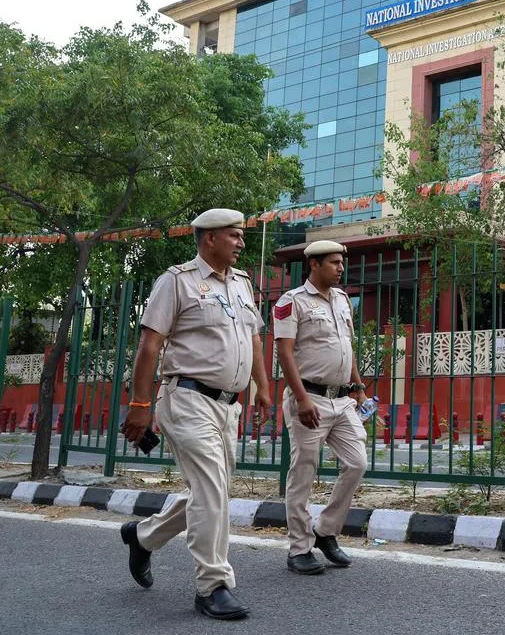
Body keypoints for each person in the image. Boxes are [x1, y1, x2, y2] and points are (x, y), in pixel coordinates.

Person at [119, 208, 273, 621]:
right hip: (187, 399)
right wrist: (139, 404)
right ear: (209, 239)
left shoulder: (242, 284)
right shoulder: (176, 281)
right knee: (211, 488)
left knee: (213, 491)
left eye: (242, 236)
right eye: (234, 235)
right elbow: (150, 346)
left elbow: (253, 340)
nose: (241, 242)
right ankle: (213, 585)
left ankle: (144, 537)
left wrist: (262, 388)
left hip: (227, 405)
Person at [273, 239, 369, 575]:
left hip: (341, 399)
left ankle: (325, 531)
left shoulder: (343, 300)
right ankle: (299, 549)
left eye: (341, 263)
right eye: (333, 262)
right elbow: (285, 353)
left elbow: (348, 346)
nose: (340, 268)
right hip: (309, 397)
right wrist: (301, 399)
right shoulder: (292, 302)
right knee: (304, 471)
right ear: (313, 264)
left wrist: (357, 387)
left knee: (357, 463)